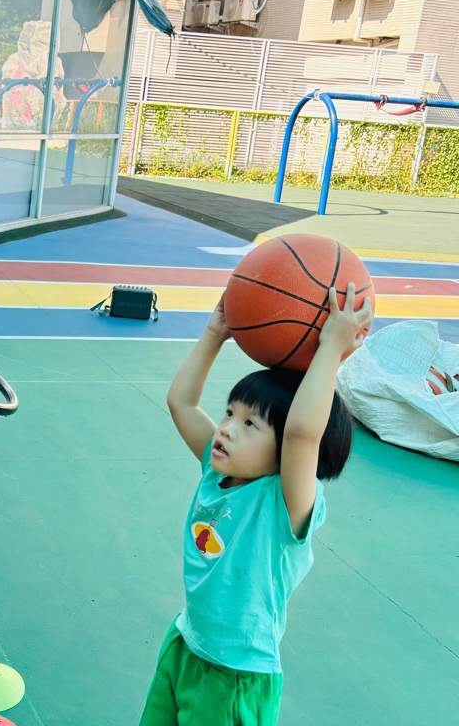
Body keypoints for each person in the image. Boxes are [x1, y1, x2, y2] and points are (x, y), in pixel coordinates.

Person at [139, 285, 373, 725]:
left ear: (285, 455)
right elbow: (182, 402)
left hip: (236, 676)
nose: (227, 428)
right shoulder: (216, 472)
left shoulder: (283, 505)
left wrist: (331, 348)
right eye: (230, 412)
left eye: (250, 424)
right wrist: (215, 334)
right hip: (186, 644)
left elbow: (302, 433)